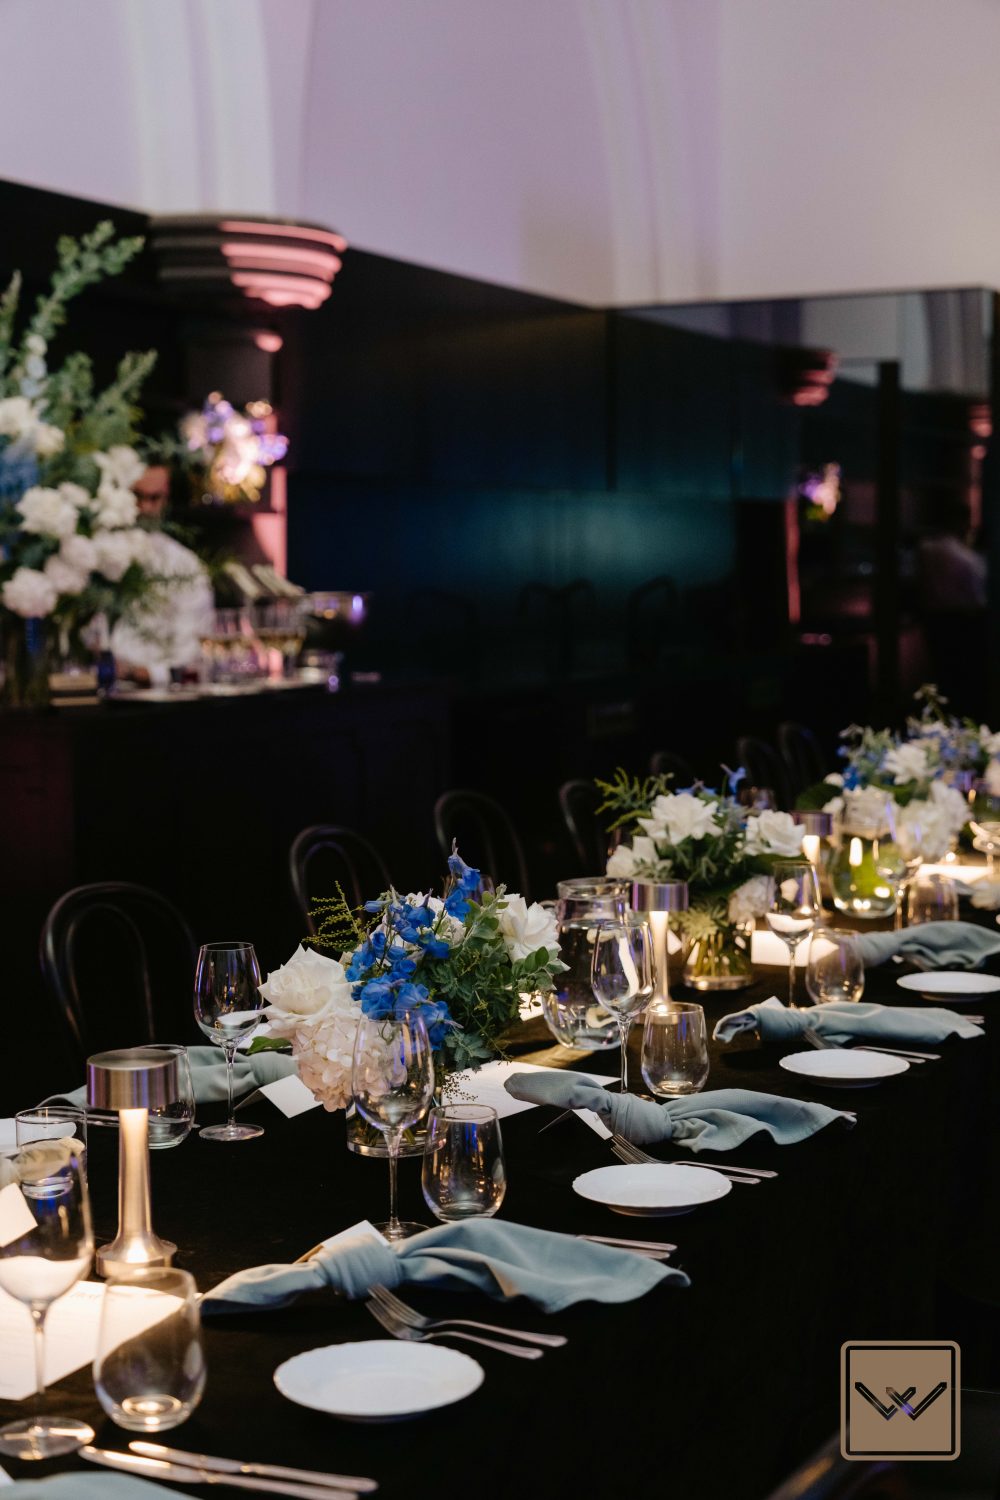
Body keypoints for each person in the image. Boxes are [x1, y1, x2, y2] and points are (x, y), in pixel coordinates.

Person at [111, 463, 215, 686]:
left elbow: (191, 654)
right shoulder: (92, 554)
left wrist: (138, 673)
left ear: (166, 499)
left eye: (154, 498)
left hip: (158, 694)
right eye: (137, 496)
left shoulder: (184, 565)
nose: (145, 507)